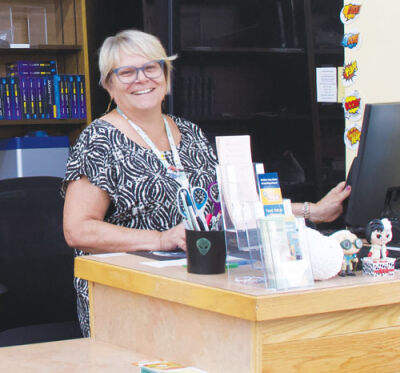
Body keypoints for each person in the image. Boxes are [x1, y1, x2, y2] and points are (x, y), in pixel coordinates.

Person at [62, 29, 351, 337]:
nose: (141, 79)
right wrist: (160, 239)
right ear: (109, 84)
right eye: (126, 72)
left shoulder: (191, 134)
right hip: (127, 294)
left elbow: (233, 204)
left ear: (165, 73)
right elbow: (77, 230)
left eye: (150, 67)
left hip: (198, 284)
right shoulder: (99, 140)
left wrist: (310, 211)